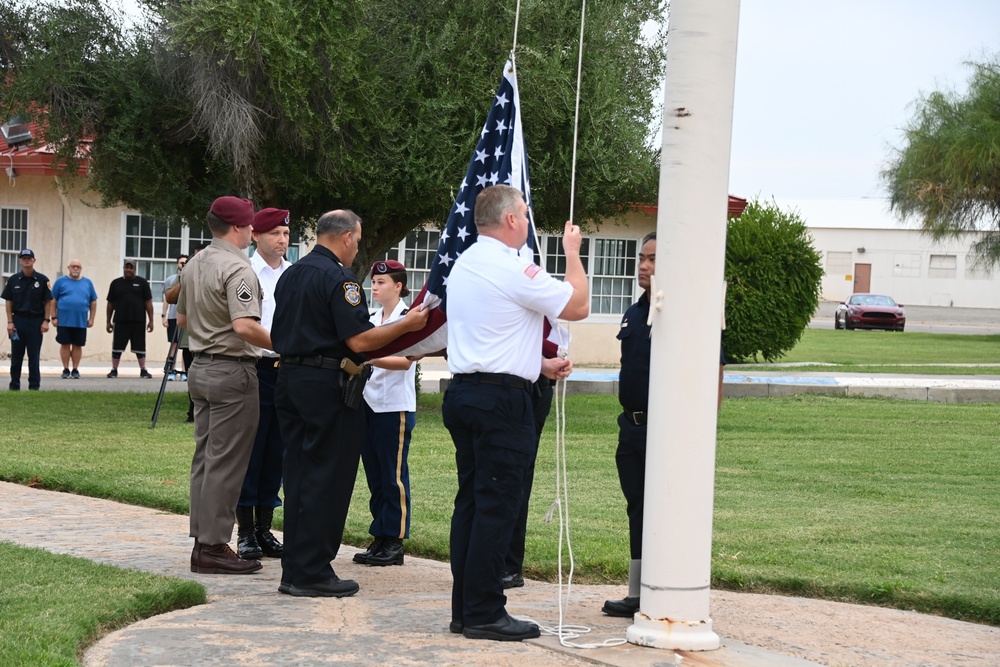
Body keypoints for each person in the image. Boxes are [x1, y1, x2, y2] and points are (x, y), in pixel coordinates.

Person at [443, 184, 587, 642]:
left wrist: (537, 363)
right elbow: (577, 305)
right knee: (497, 505)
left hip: (467, 391)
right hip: (500, 404)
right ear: (509, 220)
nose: (527, 223)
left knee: (470, 503)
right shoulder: (510, 267)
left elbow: (493, 331)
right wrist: (572, 253)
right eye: (524, 214)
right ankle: (485, 611)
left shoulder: (465, 263)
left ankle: (465, 609)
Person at [271, 209, 428, 598]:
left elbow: (278, 333)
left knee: (299, 475)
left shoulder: (290, 274)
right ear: (345, 237)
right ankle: (313, 571)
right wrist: (405, 327)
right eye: (357, 240)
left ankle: (295, 567)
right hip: (326, 385)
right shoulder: (340, 280)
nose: (357, 246)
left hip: (290, 379)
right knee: (328, 477)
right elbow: (359, 341)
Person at [601, 232, 725, 618]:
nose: (643, 265)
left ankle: (670, 589)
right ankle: (638, 592)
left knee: (669, 510)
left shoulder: (687, 313)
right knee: (637, 509)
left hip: (667, 431)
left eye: (653, 259)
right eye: (642, 257)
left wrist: (703, 428)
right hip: (632, 428)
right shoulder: (637, 311)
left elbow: (713, 371)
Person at [177, 196, 272, 575]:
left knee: (206, 458)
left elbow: (182, 317)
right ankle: (214, 545)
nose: (252, 231)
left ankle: (203, 540)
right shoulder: (238, 268)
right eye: (250, 225)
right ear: (237, 228)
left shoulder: (197, 262)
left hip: (200, 366)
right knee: (227, 463)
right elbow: (245, 326)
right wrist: (292, 342)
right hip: (233, 370)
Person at [235, 208, 291, 561]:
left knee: (277, 452)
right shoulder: (245, 271)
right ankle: (244, 532)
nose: (282, 240)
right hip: (255, 368)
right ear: (256, 235)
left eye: (286, 233)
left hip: (286, 370)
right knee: (251, 452)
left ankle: (264, 528)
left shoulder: (293, 274)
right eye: (275, 233)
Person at [353, 259, 417, 568]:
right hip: (369, 402)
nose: (374, 287)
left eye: (381, 283)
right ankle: (379, 534)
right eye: (373, 283)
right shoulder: (372, 317)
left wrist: (368, 357)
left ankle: (394, 539)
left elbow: (405, 361)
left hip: (394, 406)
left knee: (393, 476)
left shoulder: (409, 318)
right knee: (376, 475)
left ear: (398, 286)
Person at [2, 248, 53, 391]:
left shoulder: (43, 280)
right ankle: (14, 386)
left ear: (34, 260)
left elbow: (49, 301)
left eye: (29, 258)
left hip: (35, 322)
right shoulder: (13, 280)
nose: (26, 260)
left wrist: (46, 320)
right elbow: (8, 301)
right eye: (23, 258)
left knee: (34, 356)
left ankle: (34, 387)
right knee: (16, 357)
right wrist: (10, 322)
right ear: (20, 261)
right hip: (18, 321)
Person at [106, 260, 155, 378]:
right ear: (123, 268)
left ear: (135, 269)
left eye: (131, 267)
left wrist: (151, 321)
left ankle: (143, 370)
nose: (129, 270)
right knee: (117, 346)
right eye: (127, 267)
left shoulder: (142, 283)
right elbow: (110, 304)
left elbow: (148, 302)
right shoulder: (116, 283)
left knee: (140, 347)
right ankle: (114, 369)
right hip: (120, 320)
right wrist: (108, 321)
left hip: (138, 320)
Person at [50, 259, 98, 379]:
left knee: (78, 345)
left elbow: (93, 301)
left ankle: (75, 369)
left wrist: (91, 319)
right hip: (64, 321)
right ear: (69, 268)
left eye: (78, 267)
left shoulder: (87, 283)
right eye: (73, 266)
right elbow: (53, 300)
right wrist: (53, 317)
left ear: (81, 269)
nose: (75, 269)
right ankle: (66, 369)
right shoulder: (61, 281)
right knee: (65, 344)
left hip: (80, 321)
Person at [161, 255, 188, 381]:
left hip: (185, 317)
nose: (182, 265)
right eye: (181, 263)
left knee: (185, 346)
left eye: (185, 263)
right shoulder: (172, 279)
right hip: (173, 316)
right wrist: (163, 315)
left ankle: (184, 372)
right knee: (174, 344)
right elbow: (167, 299)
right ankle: (170, 370)